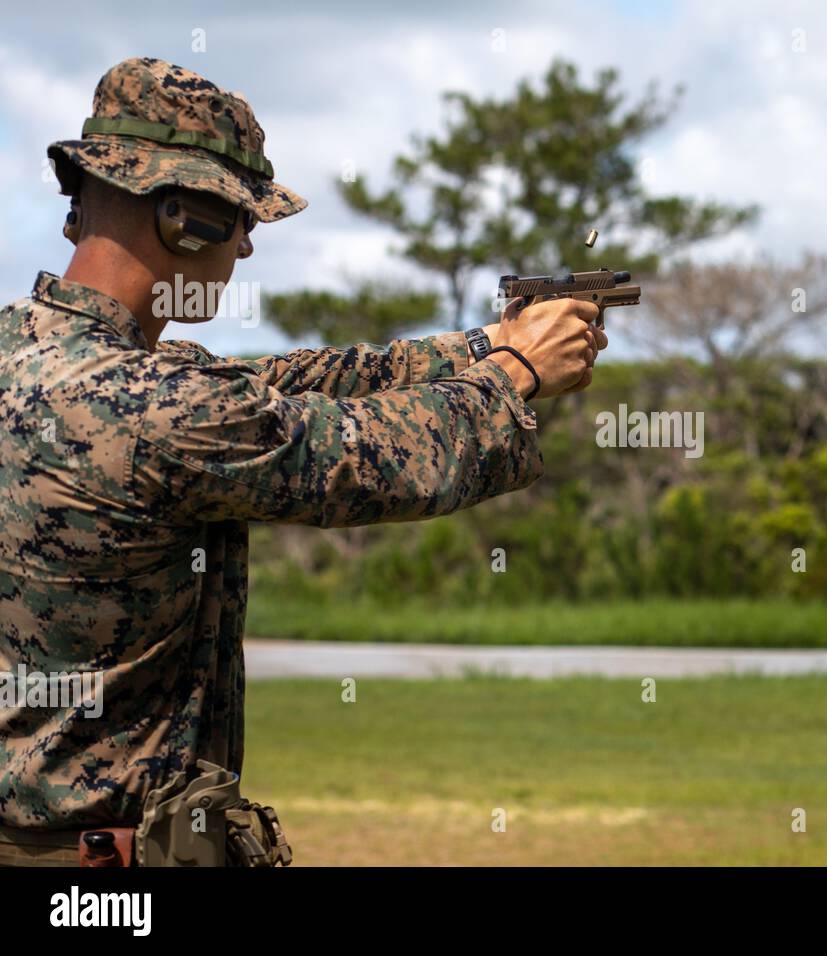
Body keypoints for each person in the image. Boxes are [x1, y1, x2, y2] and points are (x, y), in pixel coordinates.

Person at [0, 56, 605, 866]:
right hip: (109, 872)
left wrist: (482, 346)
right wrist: (518, 376)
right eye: (241, 220)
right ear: (187, 220)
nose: (246, 248)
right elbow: (377, 459)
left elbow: (268, 388)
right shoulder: (164, 411)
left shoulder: (40, 359)